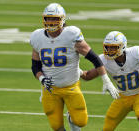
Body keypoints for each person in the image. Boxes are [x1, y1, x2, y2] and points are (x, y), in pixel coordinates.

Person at [29, 3, 119, 131]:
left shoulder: (71, 35)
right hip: (50, 89)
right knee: (56, 126)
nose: (51, 21)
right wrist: (42, 79)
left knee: (81, 121)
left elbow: (94, 58)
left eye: (55, 18)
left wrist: (106, 80)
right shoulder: (37, 37)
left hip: (70, 86)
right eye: (48, 18)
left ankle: (71, 118)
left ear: (62, 19)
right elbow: (35, 66)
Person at [80, 31, 139, 131]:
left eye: (113, 47)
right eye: (107, 47)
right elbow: (88, 76)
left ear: (122, 47)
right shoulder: (104, 60)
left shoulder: (136, 54)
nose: (109, 50)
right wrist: (77, 71)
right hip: (122, 97)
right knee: (108, 125)